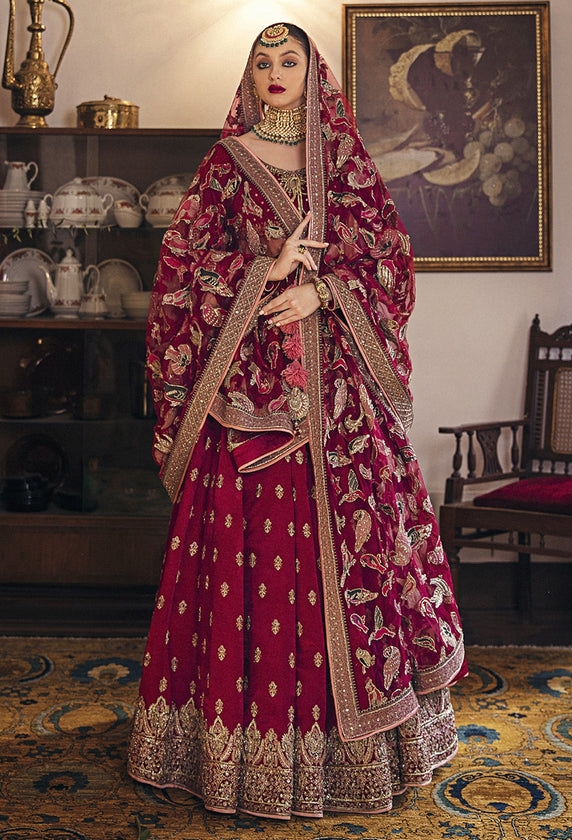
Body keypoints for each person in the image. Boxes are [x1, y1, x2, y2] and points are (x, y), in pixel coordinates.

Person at [127, 22, 467, 819]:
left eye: (289, 60)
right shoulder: (226, 164)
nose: (276, 71)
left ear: (314, 74)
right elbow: (181, 268)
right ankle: (235, 755)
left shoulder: (344, 162)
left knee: (357, 560)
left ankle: (359, 755)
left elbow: (389, 260)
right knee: (250, 565)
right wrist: (264, 268)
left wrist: (324, 291)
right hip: (250, 400)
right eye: (263, 61)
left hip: (343, 404)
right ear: (247, 76)